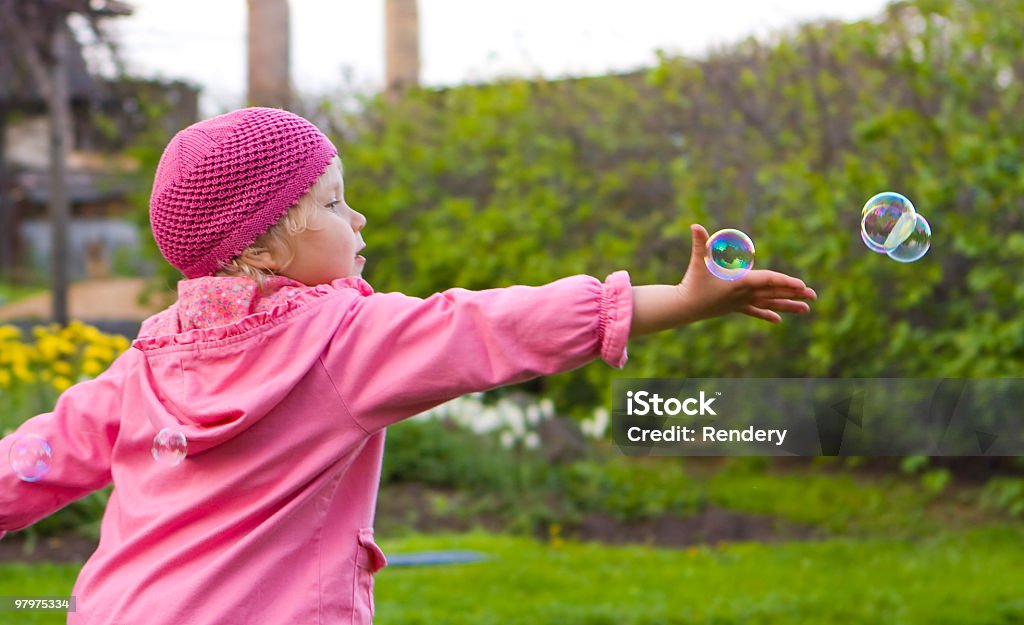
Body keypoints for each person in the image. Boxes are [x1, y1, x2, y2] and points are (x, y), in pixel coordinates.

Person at [0, 107, 816, 624]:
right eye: (329, 202)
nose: (355, 216)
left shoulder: (149, 357)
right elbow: (489, 327)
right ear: (258, 243)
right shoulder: (344, 342)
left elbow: (39, 455)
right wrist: (672, 301)